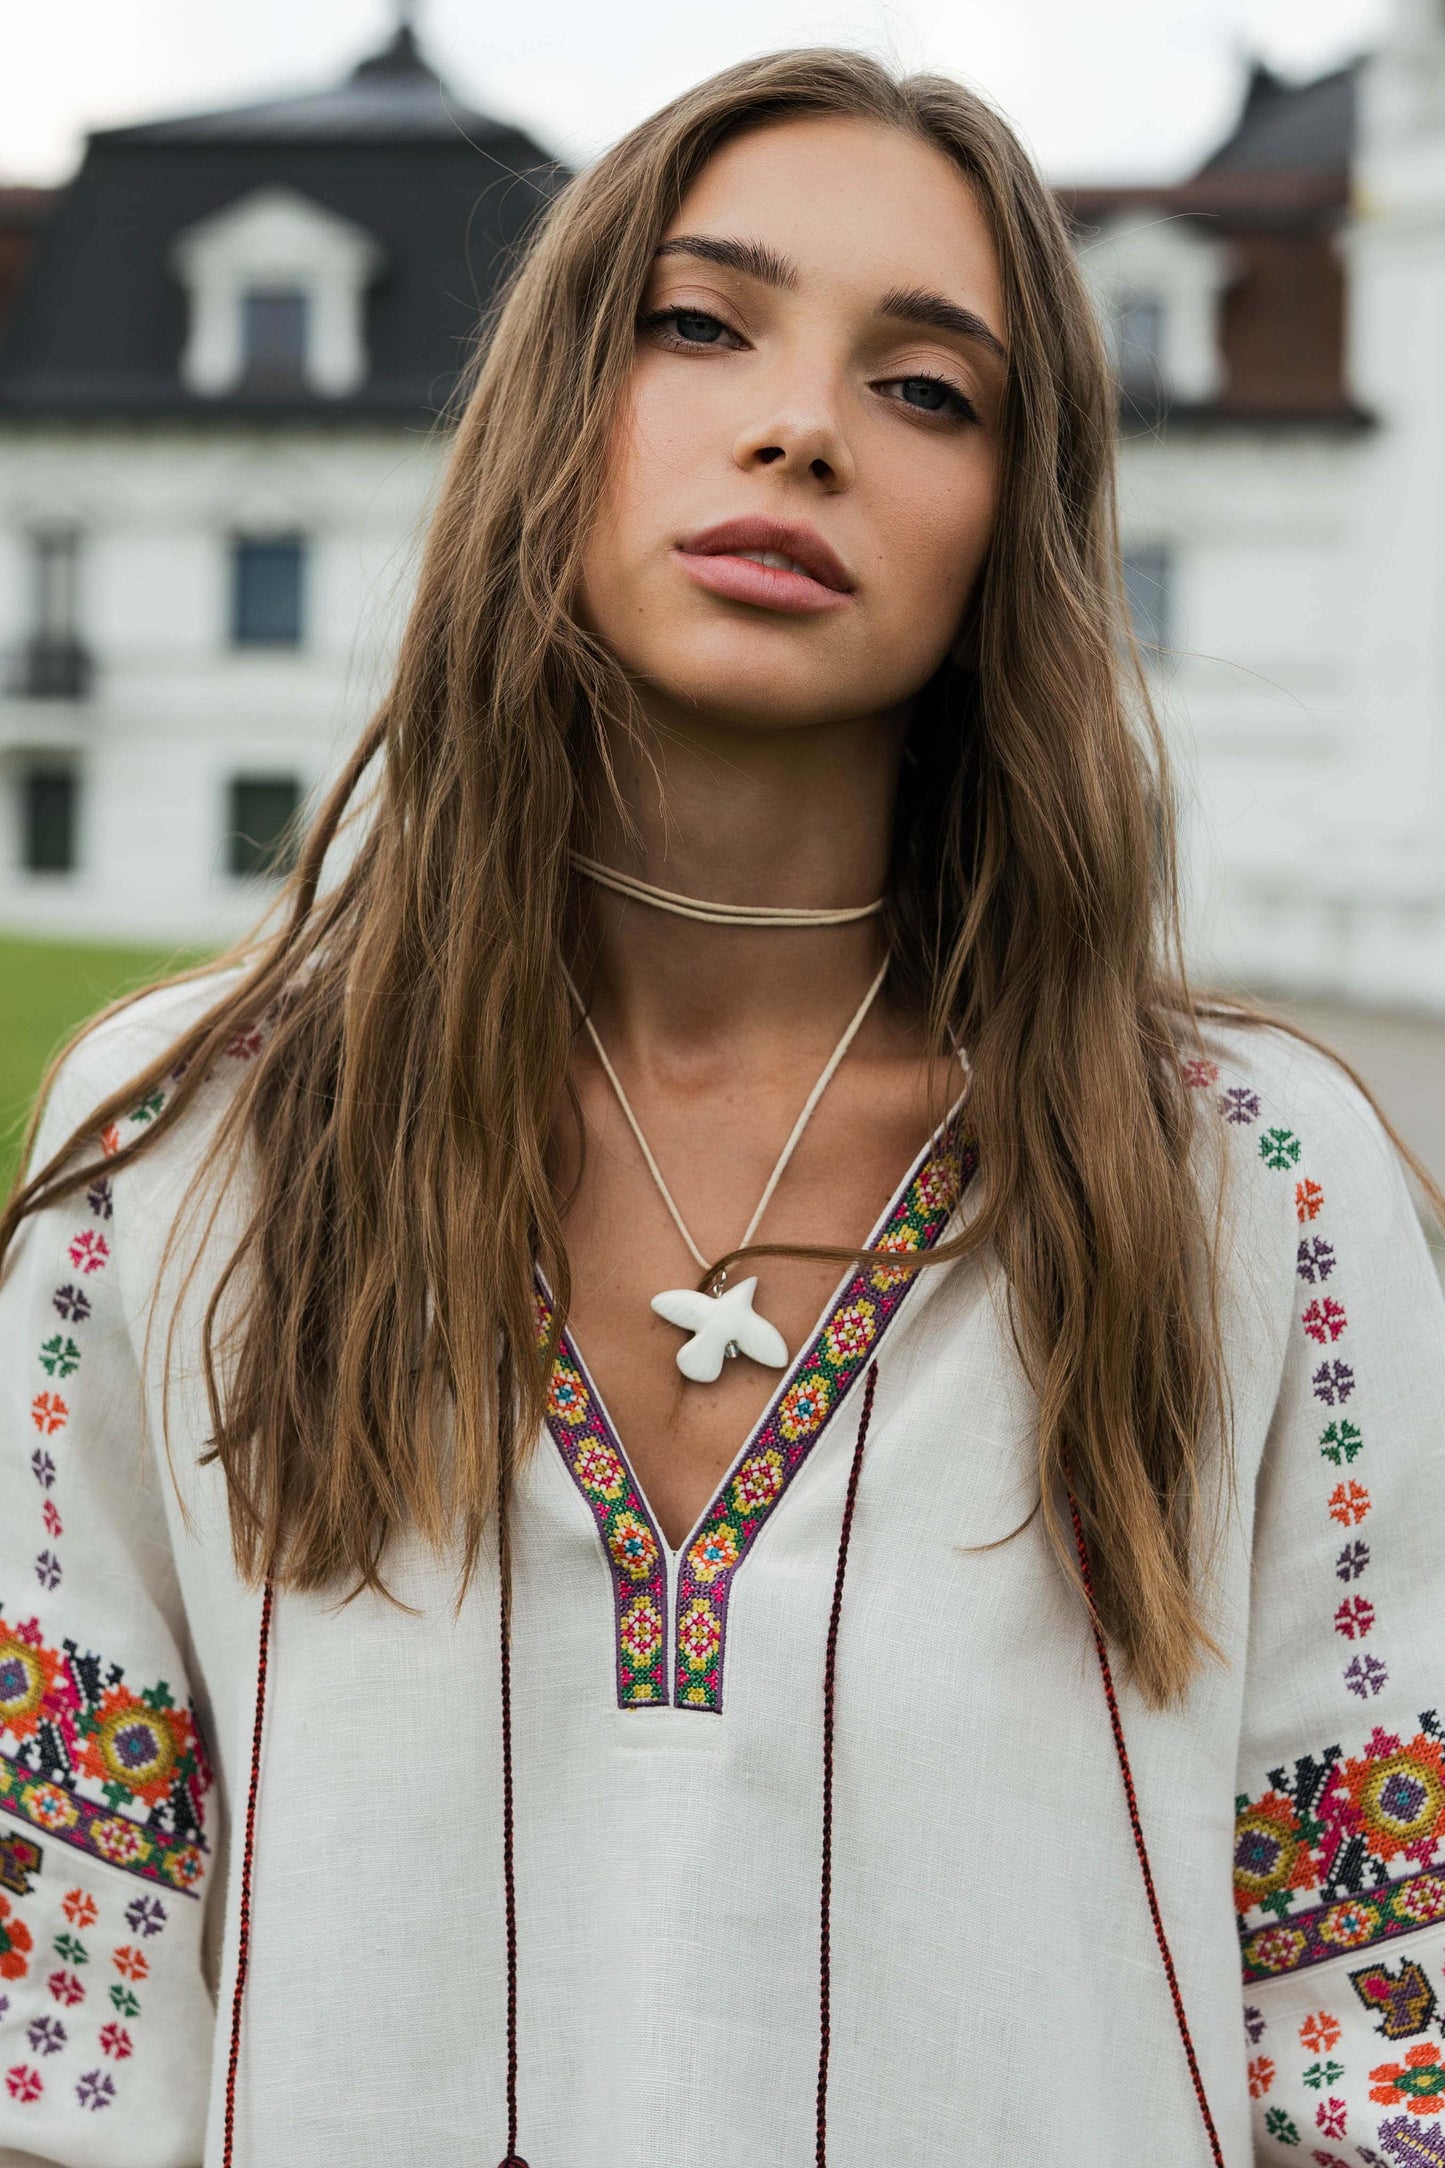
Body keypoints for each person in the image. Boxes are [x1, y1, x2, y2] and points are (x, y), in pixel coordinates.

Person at [1, 48, 1442, 2168]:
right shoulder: (184, 1143)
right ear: (556, 408)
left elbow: (1379, 2033)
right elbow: (58, 2029)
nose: (800, 424)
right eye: (701, 322)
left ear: (1010, 531)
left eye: (926, 388)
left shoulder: (1256, 1186)